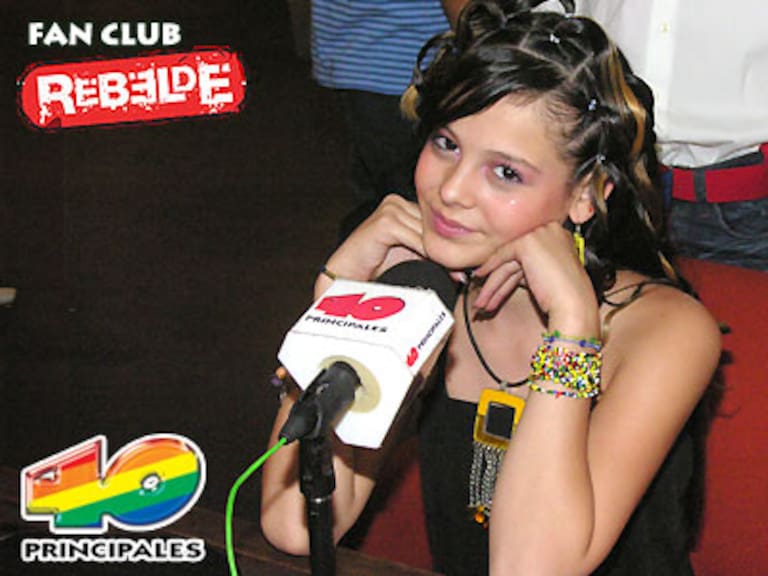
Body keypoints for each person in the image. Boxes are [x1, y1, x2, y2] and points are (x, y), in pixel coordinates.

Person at [262, 1, 722, 574]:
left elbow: (530, 568)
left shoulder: (665, 330)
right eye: (446, 144)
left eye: (506, 172)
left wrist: (572, 326)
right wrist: (338, 305)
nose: (451, 190)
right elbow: (293, 525)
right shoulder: (421, 303)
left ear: (587, 194)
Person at [309, 0, 455, 235]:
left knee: (377, 189)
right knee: (414, 197)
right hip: (402, 64)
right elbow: (468, 15)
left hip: (360, 56)